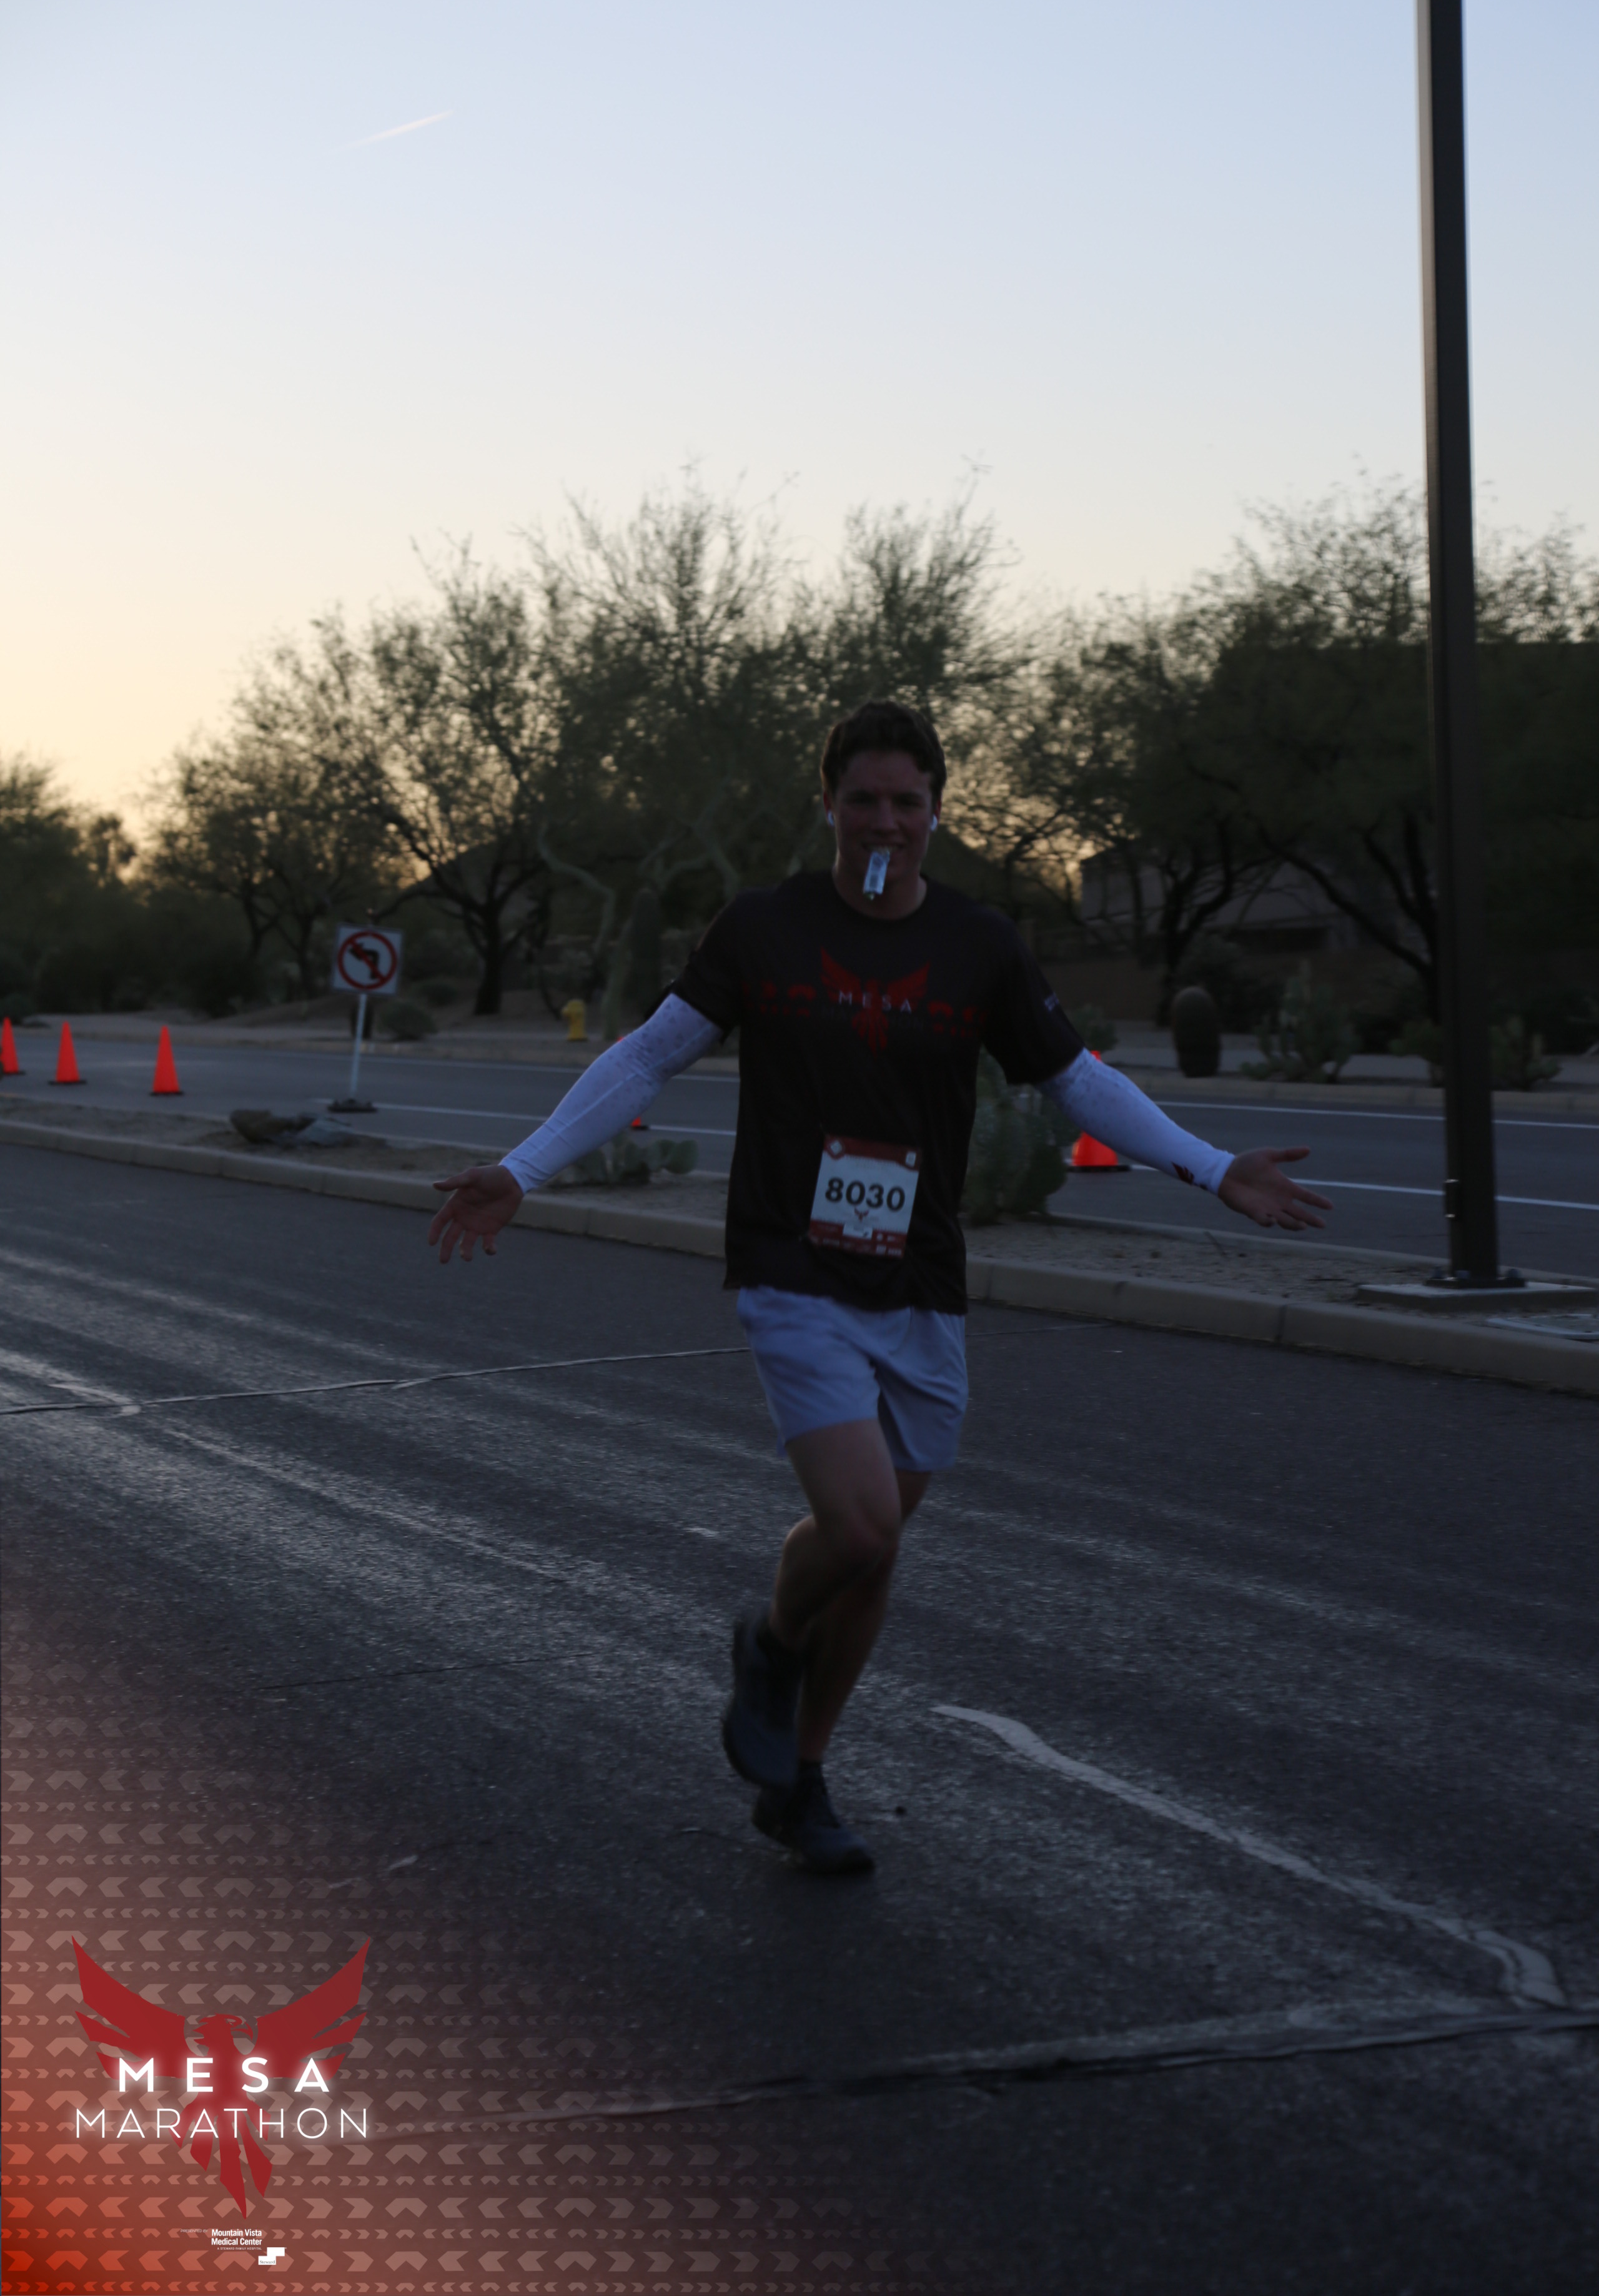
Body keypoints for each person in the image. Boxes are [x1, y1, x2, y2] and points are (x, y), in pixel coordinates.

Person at [428, 701, 1330, 1873]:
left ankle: (801, 1781)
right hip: (792, 1265)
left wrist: (1212, 1169)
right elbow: (648, 1054)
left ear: (937, 813)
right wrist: (523, 1168)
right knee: (858, 1523)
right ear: (830, 807)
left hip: (921, 1276)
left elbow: (1074, 1079)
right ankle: (772, 1639)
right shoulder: (766, 928)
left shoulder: (978, 944)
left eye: (909, 801)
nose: (886, 821)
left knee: (876, 1546)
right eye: (864, 799)